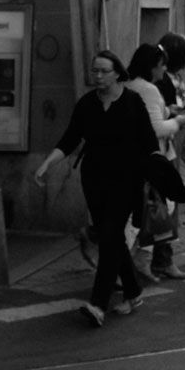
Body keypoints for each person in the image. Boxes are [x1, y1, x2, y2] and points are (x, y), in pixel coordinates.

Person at [34, 51, 160, 327]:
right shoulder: (87, 104)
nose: (98, 76)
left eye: (104, 71)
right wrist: (47, 164)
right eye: (95, 71)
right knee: (110, 237)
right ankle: (134, 290)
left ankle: (98, 304)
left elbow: (150, 143)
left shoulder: (132, 102)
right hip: (95, 180)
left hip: (127, 179)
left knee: (112, 233)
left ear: (117, 73)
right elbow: (69, 139)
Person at [125, 44, 185, 280]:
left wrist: (168, 110)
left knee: (147, 212)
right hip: (153, 158)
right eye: (161, 64)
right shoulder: (148, 89)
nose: (164, 69)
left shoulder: (129, 85)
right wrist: (178, 122)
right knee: (155, 211)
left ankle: (144, 262)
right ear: (152, 65)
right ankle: (138, 263)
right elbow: (155, 128)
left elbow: (151, 115)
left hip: (135, 157)